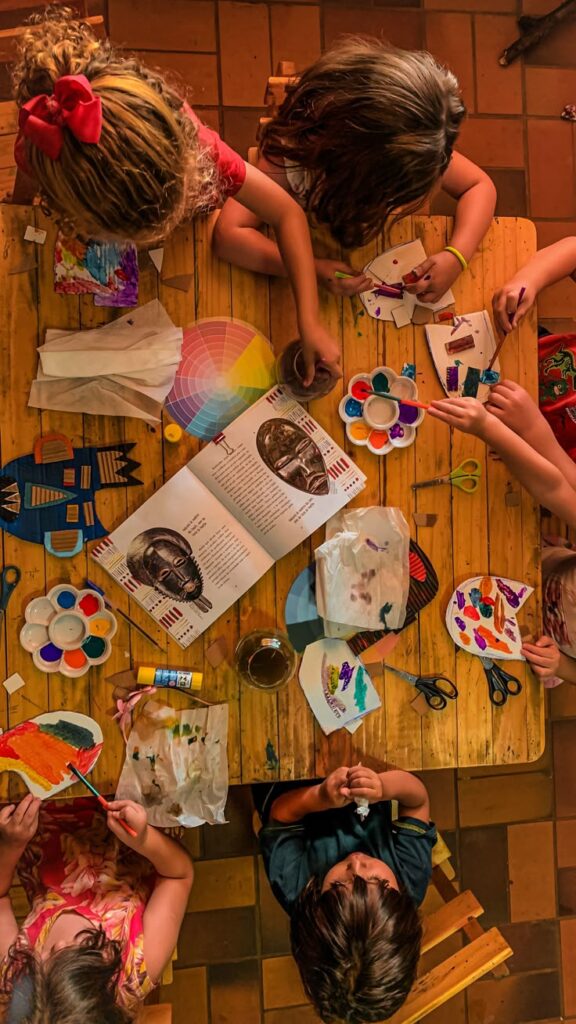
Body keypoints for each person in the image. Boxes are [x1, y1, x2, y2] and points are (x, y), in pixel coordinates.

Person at [12, 5, 340, 383]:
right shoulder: (46, 149)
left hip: (191, 252)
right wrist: (19, 208)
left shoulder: (200, 149)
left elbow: (286, 213)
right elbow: (24, 192)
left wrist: (309, 319)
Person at [213, 38, 497, 304]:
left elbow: (479, 186)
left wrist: (457, 255)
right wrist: (311, 269)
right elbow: (229, 235)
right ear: (358, 166)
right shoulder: (294, 156)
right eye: (390, 189)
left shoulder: (418, 141)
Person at [257, 765, 435, 1023]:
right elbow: (418, 801)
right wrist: (384, 788)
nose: (357, 863)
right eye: (378, 881)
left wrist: (319, 797)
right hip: (376, 770)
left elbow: (281, 815)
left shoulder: (295, 891)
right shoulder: (410, 884)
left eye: (339, 885)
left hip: (290, 776)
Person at [428, 386, 576, 687]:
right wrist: (528, 428)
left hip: (532, 644)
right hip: (531, 560)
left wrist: (560, 666)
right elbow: (559, 487)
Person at [0, 794, 194, 1022]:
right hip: (128, 812)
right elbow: (179, 875)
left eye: (49, 956)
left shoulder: (18, 977)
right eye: (81, 953)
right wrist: (143, 839)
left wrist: (10, 845)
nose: (60, 943)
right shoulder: (136, 970)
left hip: (41, 816)